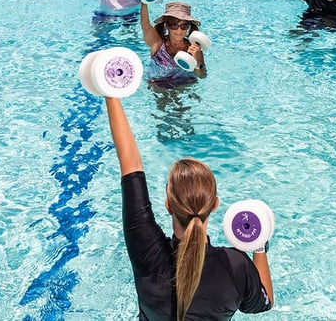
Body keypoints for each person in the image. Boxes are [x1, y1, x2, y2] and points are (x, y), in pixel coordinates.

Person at [104, 96, 274, 320]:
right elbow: (265, 302)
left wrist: (109, 91)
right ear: (214, 205)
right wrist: (258, 245)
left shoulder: (147, 251)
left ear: (168, 206)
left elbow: (131, 166)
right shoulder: (236, 266)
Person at [140, 1, 207, 86]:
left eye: (184, 25)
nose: (179, 30)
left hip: (185, 89)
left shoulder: (194, 48)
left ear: (188, 26)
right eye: (174, 25)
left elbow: (202, 75)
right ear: (166, 25)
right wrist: (144, 2)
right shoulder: (158, 44)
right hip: (159, 89)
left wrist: (197, 61)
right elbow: (145, 26)